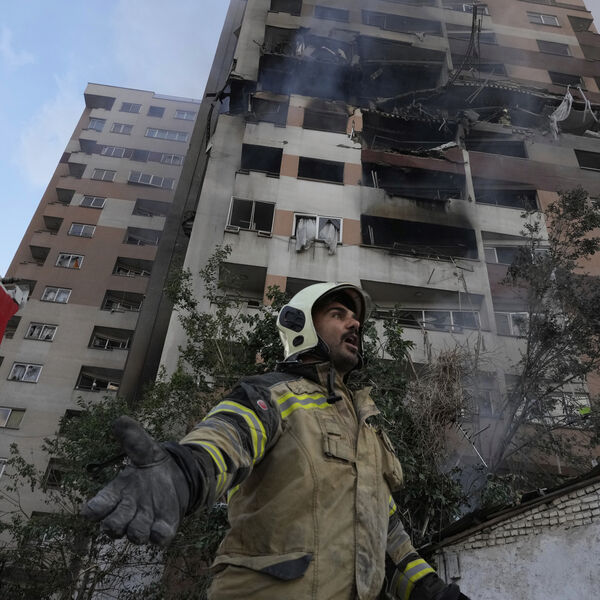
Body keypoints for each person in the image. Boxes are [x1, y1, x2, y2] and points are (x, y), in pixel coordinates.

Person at [83, 282, 470, 600]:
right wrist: (181, 473)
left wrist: (434, 592)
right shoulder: (272, 394)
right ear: (302, 326)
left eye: (355, 319)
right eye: (338, 315)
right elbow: (227, 438)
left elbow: (386, 536)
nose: (354, 323)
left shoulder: (367, 428)